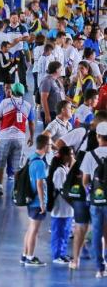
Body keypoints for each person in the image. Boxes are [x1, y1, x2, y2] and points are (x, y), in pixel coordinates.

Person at [55, 111, 107, 270]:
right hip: (81, 186)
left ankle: (96, 256)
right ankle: (76, 259)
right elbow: (59, 143)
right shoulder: (81, 132)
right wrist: (68, 161)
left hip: (95, 187)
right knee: (81, 224)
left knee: (100, 226)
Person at [0, 82, 35, 198]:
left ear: (13, 92)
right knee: (18, 166)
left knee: (0, 163)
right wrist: (31, 137)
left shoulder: (4, 103)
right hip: (20, 139)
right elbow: (31, 123)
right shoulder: (28, 105)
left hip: (4, 138)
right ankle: (16, 190)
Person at [80, 121, 107, 278]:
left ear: (98, 137)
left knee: (97, 233)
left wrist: (90, 193)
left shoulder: (90, 155)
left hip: (96, 202)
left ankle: (99, 268)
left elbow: (85, 180)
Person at [21, 134, 50, 267]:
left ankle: (25, 255)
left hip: (30, 199)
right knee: (34, 231)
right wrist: (43, 203)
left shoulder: (31, 158)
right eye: (49, 145)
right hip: (37, 202)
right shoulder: (40, 163)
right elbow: (39, 184)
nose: (50, 147)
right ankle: (30, 258)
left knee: (30, 229)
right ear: (44, 146)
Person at [49, 146, 74, 265]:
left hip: (67, 209)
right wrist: (73, 201)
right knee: (58, 233)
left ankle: (62, 253)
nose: (72, 157)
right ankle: (57, 255)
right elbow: (61, 189)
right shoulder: (59, 171)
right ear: (65, 156)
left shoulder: (66, 169)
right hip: (60, 208)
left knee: (65, 232)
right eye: (71, 154)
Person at [4, 12, 29, 90]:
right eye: (13, 18)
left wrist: (19, 39)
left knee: (22, 70)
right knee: (10, 69)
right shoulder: (7, 28)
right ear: (10, 18)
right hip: (10, 52)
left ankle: (23, 86)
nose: (14, 19)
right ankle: (11, 86)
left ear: (18, 18)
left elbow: (27, 38)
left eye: (16, 18)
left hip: (19, 51)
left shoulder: (22, 27)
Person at [39, 61, 65, 128]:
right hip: (51, 112)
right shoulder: (47, 81)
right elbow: (43, 98)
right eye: (60, 69)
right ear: (56, 70)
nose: (61, 70)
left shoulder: (57, 80)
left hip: (58, 111)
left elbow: (61, 94)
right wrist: (47, 115)